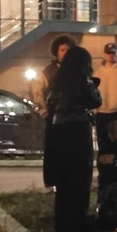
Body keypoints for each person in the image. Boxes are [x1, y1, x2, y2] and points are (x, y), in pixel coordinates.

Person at [45, 46, 102, 232]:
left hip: (59, 129)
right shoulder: (82, 78)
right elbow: (95, 101)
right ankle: (78, 220)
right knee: (80, 175)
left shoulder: (57, 80)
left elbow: (50, 103)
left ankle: (62, 221)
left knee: (64, 178)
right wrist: (93, 84)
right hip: (77, 129)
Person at [35, 34, 78, 188]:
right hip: (53, 116)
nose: (65, 52)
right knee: (53, 150)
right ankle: (52, 181)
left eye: (68, 50)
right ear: (56, 51)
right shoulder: (47, 71)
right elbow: (38, 92)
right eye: (62, 50)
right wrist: (44, 111)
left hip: (72, 116)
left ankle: (70, 180)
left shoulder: (78, 70)